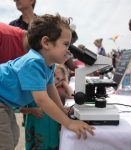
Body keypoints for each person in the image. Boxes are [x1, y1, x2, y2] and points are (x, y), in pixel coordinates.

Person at [0, 14, 95, 149]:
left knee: (13, 137)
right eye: (66, 44)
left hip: (5, 102)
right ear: (46, 43)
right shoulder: (33, 62)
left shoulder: (48, 64)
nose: (68, 50)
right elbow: (42, 100)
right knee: (4, 143)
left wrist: (62, 110)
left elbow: (51, 88)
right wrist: (68, 123)